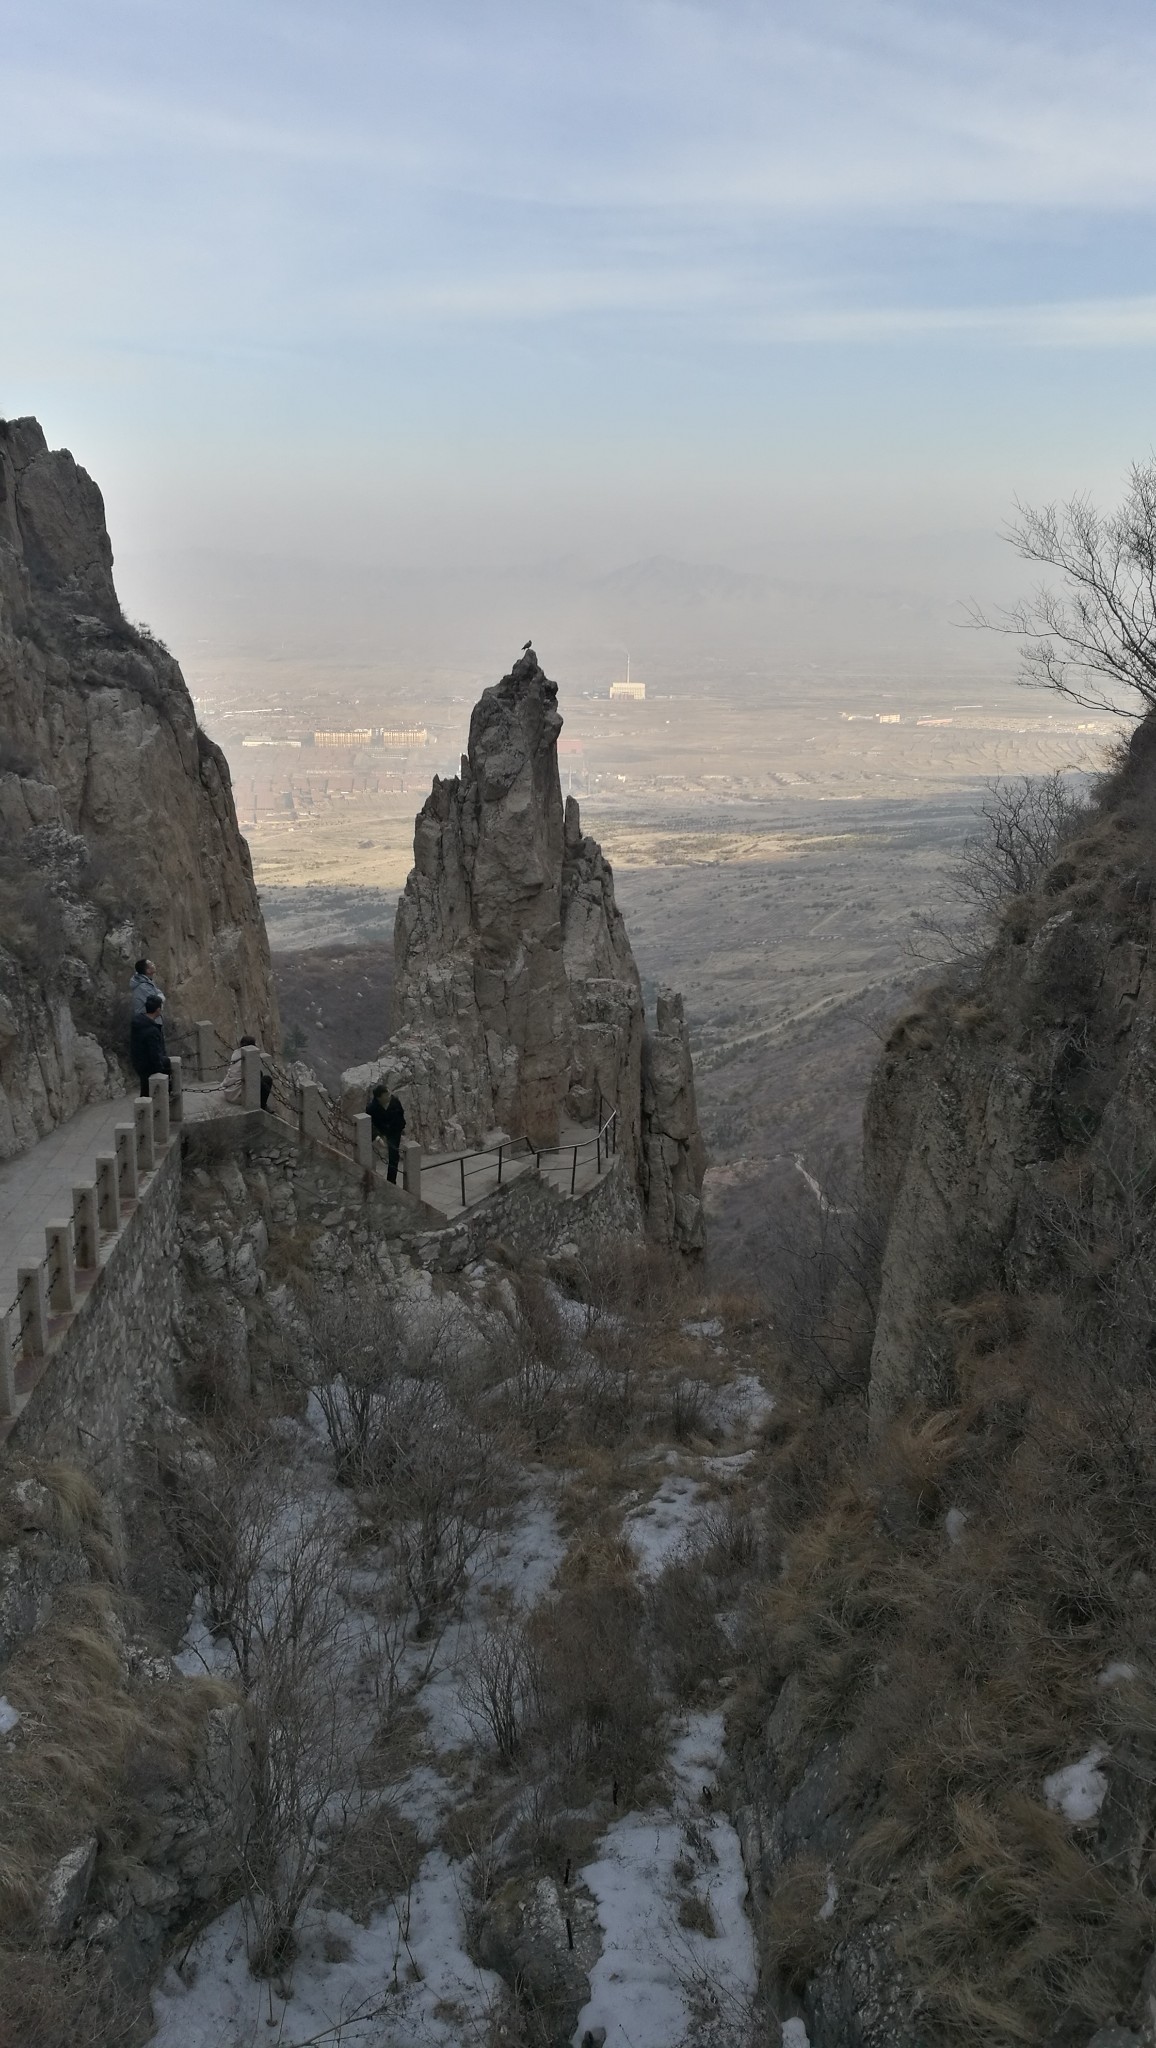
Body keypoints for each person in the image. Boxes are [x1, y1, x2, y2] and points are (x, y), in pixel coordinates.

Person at [130, 993, 171, 1098]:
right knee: (149, 1092)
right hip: (148, 1065)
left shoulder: (138, 1022)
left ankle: (144, 1110)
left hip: (138, 1061)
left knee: (145, 1089)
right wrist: (160, 1069)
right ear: (158, 1009)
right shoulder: (151, 1030)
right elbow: (154, 1053)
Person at [367, 1081, 406, 1183]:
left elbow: (400, 1115)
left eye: (389, 1093)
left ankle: (391, 1181)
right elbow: (370, 1124)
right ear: (379, 1098)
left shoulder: (394, 1101)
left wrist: (400, 1129)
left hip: (394, 1131)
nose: (390, 1096)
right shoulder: (371, 1108)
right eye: (386, 1095)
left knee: (394, 1156)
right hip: (380, 1131)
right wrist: (378, 1137)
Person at [222, 1034, 273, 1110]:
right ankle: (262, 1105)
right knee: (267, 1079)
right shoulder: (250, 1057)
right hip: (237, 1097)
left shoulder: (236, 1053)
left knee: (259, 1074)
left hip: (228, 1092)